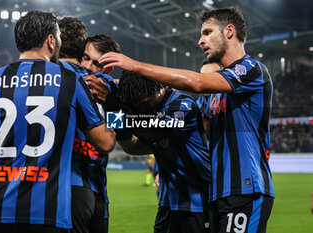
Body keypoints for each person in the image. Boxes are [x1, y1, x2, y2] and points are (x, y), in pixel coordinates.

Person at [99, 7, 274, 233]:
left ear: (229, 31)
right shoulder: (214, 97)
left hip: (245, 188)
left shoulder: (252, 69)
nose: (200, 41)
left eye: (207, 32)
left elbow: (196, 84)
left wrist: (135, 66)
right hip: (217, 192)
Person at [0, 11, 115, 233]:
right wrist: (117, 109)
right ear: (51, 41)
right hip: (48, 212)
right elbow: (106, 143)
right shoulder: (70, 80)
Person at [116, 71, 211, 233]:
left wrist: (116, 113)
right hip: (167, 202)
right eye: (136, 105)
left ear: (158, 87)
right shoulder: (146, 109)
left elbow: (153, 132)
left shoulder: (182, 105)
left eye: (145, 103)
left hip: (197, 202)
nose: (142, 109)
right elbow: (133, 146)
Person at [57, 19, 120, 233]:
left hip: (93, 191)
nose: (87, 66)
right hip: (76, 188)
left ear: (109, 69)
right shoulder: (111, 88)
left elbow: (118, 134)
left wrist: (114, 102)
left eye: (96, 64)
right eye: (85, 58)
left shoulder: (111, 92)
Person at [195, 60, 223, 140]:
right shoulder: (197, 104)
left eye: (212, 76)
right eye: (203, 76)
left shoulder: (232, 100)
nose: (206, 80)